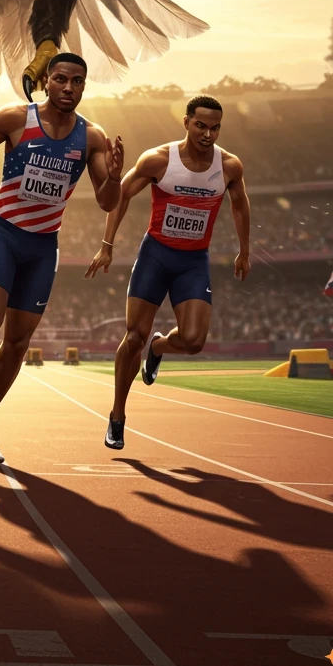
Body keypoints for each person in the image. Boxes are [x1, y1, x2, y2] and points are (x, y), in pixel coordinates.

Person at [0, 53, 123, 463]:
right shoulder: (16, 118)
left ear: (85, 86)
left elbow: (107, 202)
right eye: (61, 79)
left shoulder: (91, 138)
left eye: (78, 82)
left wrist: (115, 178)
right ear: (46, 81)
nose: (69, 88)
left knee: (17, 342)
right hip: (4, 233)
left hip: (43, 247)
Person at [86, 95, 250, 450]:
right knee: (133, 338)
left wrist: (244, 250)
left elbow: (239, 204)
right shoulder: (159, 159)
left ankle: (159, 347)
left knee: (193, 342)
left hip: (193, 261)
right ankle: (117, 416)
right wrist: (107, 244)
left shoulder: (229, 166)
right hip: (156, 257)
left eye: (215, 127)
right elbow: (121, 195)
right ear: (187, 122)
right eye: (201, 125)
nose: (208, 134)